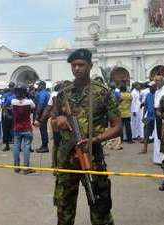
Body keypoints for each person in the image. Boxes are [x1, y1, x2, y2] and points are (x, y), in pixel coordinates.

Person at [51, 48, 121, 225]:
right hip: (67, 158)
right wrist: (57, 120)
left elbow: (117, 126)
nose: (76, 69)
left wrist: (95, 140)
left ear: (90, 66)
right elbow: (53, 119)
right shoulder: (63, 94)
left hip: (92, 157)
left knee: (99, 206)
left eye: (81, 65)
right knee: (64, 208)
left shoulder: (102, 93)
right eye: (73, 65)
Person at [11, 84, 36, 175]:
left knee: (16, 146)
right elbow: (34, 108)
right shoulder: (29, 102)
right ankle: (26, 168)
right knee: (26, 147)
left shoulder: (13, 101)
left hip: (17, 127)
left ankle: (16, 167)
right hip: (27, 127)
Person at [35, 81, 51, 153]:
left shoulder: (42, 93)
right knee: (43, 129)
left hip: (43, 113)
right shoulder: (47, 93)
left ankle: (45, 146)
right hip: (45, 113)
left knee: (43, 130)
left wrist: (38, 114)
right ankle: (44, 145)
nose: (38, 87)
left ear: (42, 86)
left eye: (39, 86)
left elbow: (40, 104)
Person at [140, 83, 156, 154]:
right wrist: (143, 116)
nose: (150, 88)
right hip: (149, 117)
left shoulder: (158, 95)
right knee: (146, 132)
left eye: (152, 87)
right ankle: (145, 148)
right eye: (149, 87)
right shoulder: (148, 95)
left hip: (156, 117)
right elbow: (145, 106)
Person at [2, 82, 16, 151]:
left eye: (12, 86)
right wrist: (7, 110)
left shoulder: (17, 95)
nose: (11, 88)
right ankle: (7, 145)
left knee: (16, 131)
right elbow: (2, 105)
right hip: (7, 115)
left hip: (15, 115)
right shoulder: (5, 95)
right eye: (10, 86)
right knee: (6, 131)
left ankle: (17, 146)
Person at [154, 75, 164, 140]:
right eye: (155, 81)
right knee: (159, 134)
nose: (156, 82)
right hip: (157, 113)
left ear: (162, 81)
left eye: (158, 80)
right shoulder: (157, 91)